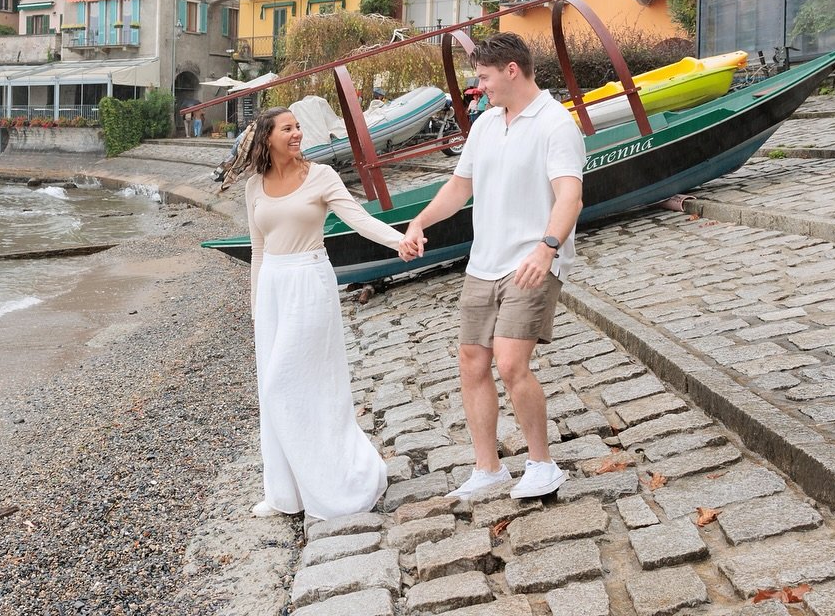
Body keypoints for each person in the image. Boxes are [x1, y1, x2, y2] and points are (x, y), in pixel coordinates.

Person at [399, 33, 584, 501]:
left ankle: (541, 465)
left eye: (483, 78)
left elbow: (570, 196)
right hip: (483, 263)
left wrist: (547, 249)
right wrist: (420, 221)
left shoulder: (556, 124)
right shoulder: (485, 125)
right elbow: (460, 189)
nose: (478, 87)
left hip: (531, 260)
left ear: (511, 71)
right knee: (472, 361)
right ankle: (489, 470)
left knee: (509, 361)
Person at [244, 106, 408, 520]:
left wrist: (398, 241)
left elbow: (358, 219)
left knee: (294, 385)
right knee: (275, 390)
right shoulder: (254, 187)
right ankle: (286, 492)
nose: (297, 133)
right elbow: (258, 251)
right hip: (272, 291)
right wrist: (255, 310)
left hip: (310, 281)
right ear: (267, 138)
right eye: (288, 128)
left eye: (299, 126)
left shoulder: (321, 177)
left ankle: (337, 482)